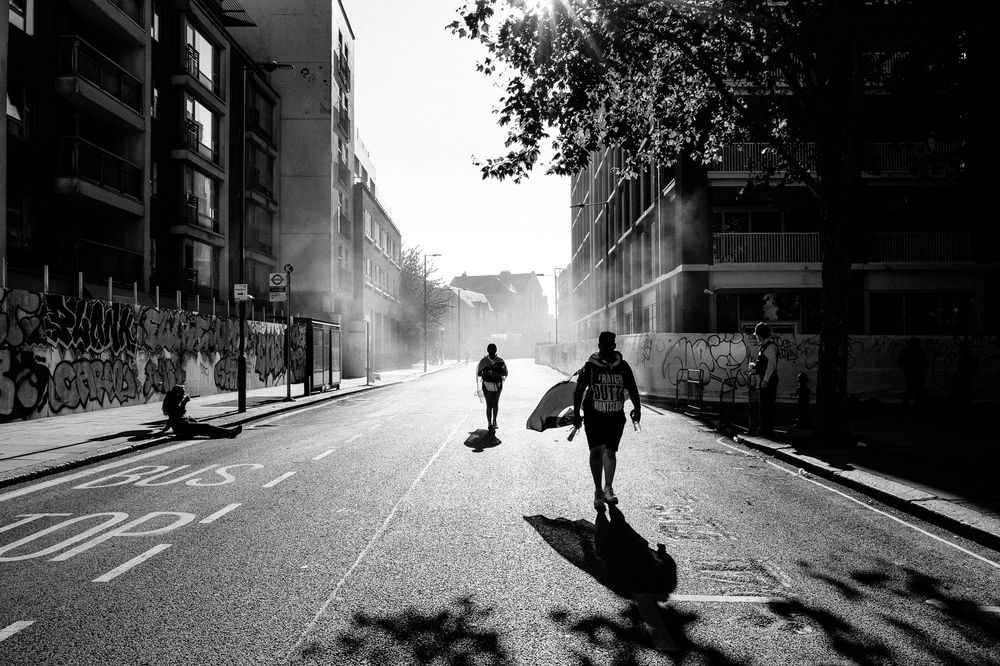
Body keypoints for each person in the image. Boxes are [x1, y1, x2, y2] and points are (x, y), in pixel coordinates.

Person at [572, 331, 641, 511]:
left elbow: (632, 388)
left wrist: (638, 408)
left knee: (610, 453)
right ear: (599, 345)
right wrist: (576, 414)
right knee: (596, 452)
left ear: (614, 346)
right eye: (603, 343)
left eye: (610, 344)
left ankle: (608, 488)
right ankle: (598, 491)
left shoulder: (623, 366)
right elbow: (579, 390)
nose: (606, 347)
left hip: (616, 417)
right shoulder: (590, 366)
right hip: (594, 416)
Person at [160, 385, 242, 439]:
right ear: (177, 394)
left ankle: (229, 432)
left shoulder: (173, 403)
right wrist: (184, 403)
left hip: (185, 427)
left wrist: (164, 430)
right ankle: (229, 432)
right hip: (183, 429)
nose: (184, 395)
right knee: (206, 427)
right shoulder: (171, 404)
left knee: (207, 429)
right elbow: (176, 416)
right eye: (182, 393)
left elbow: (171, 420)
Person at [750, 322, 779, 436]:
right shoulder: (765, 346)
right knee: (765, 404)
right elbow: (764, 363)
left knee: (767, 405)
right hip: (766, 379)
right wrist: (755, 366)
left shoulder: (770, 347)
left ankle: (767, 429)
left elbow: (771, 365)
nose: (756, 337)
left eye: (757, 335)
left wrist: (766, 380)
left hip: (769, 380)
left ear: (760, 335)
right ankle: (765, 427)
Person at [476, 343, 508, 432]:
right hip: (486, 384)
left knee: (495, 403)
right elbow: (479, 373)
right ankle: (489, 423)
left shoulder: (500, 361)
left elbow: (505, 373)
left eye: (493, 350)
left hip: (497, 385)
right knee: (490, 404)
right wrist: (486, 373)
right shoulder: (484, 361)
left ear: (496, 350)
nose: (492, 351)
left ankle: (494, 421)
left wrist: (495, 373)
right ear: (488, 351)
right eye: (490, 350)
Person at [897, 337, 927, 408]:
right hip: (916, 371)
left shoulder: (905, 351)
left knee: (911, 388)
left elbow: (900, 361)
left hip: (909, 372)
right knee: (916, 389)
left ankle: (906, 403)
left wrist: (905, 367)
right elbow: (925, 362)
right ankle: (915, 404)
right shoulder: (919, 351)